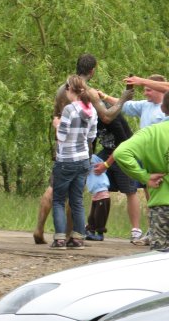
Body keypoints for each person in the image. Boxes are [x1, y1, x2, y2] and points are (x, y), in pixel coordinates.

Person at [33, 54, 133, 245]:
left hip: (63, 145)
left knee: (54, 188)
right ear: (92, 70)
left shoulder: (62, 88)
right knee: (74, 195)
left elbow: (55, 114)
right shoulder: (89, 93)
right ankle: (71, 236)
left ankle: (40, 228)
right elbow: (107, 116)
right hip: (81, 150)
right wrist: (123, 99)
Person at [103, 74, 167, 243]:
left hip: (163, 158)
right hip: (149, 161)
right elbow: (124, 105)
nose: (145, 93)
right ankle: (154, 231)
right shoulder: (145, 106)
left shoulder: (165, 106)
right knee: (151, 198)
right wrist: (103, 97)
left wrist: (141, 81)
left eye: (149, 90)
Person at [114, 91, 169, 250]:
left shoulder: (152, 132)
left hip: (162, 205)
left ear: (163, 109)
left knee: (159, 260)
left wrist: (144, 177)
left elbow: (120, 153)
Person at [50, 75, 97, 250]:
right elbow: (92, 136)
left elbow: (61, 136)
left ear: (70, 89)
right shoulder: (91, 109)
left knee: (59, 200)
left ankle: (60, 238)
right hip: (83, 159)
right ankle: (78, 238)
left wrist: (57, 124)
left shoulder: (69, 110)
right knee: (77, 200)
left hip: (66, 160)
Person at [87, 103, 140, 242]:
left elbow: (123, 145)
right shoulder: (91, 115)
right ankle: (95, 228)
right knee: (98, 184)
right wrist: (89, 159)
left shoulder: (113, 117)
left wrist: (106, 165)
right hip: (107, 151)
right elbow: (91, 140)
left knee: (130, 190)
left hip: (125, 152)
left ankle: (136, 230)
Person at [85, 154, 111, 241]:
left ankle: (100, 234)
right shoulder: (91, 158)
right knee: (92, 215)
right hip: (96, 194)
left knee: (99, 216)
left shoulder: (90, 158)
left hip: (102, 194)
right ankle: (90, 230)